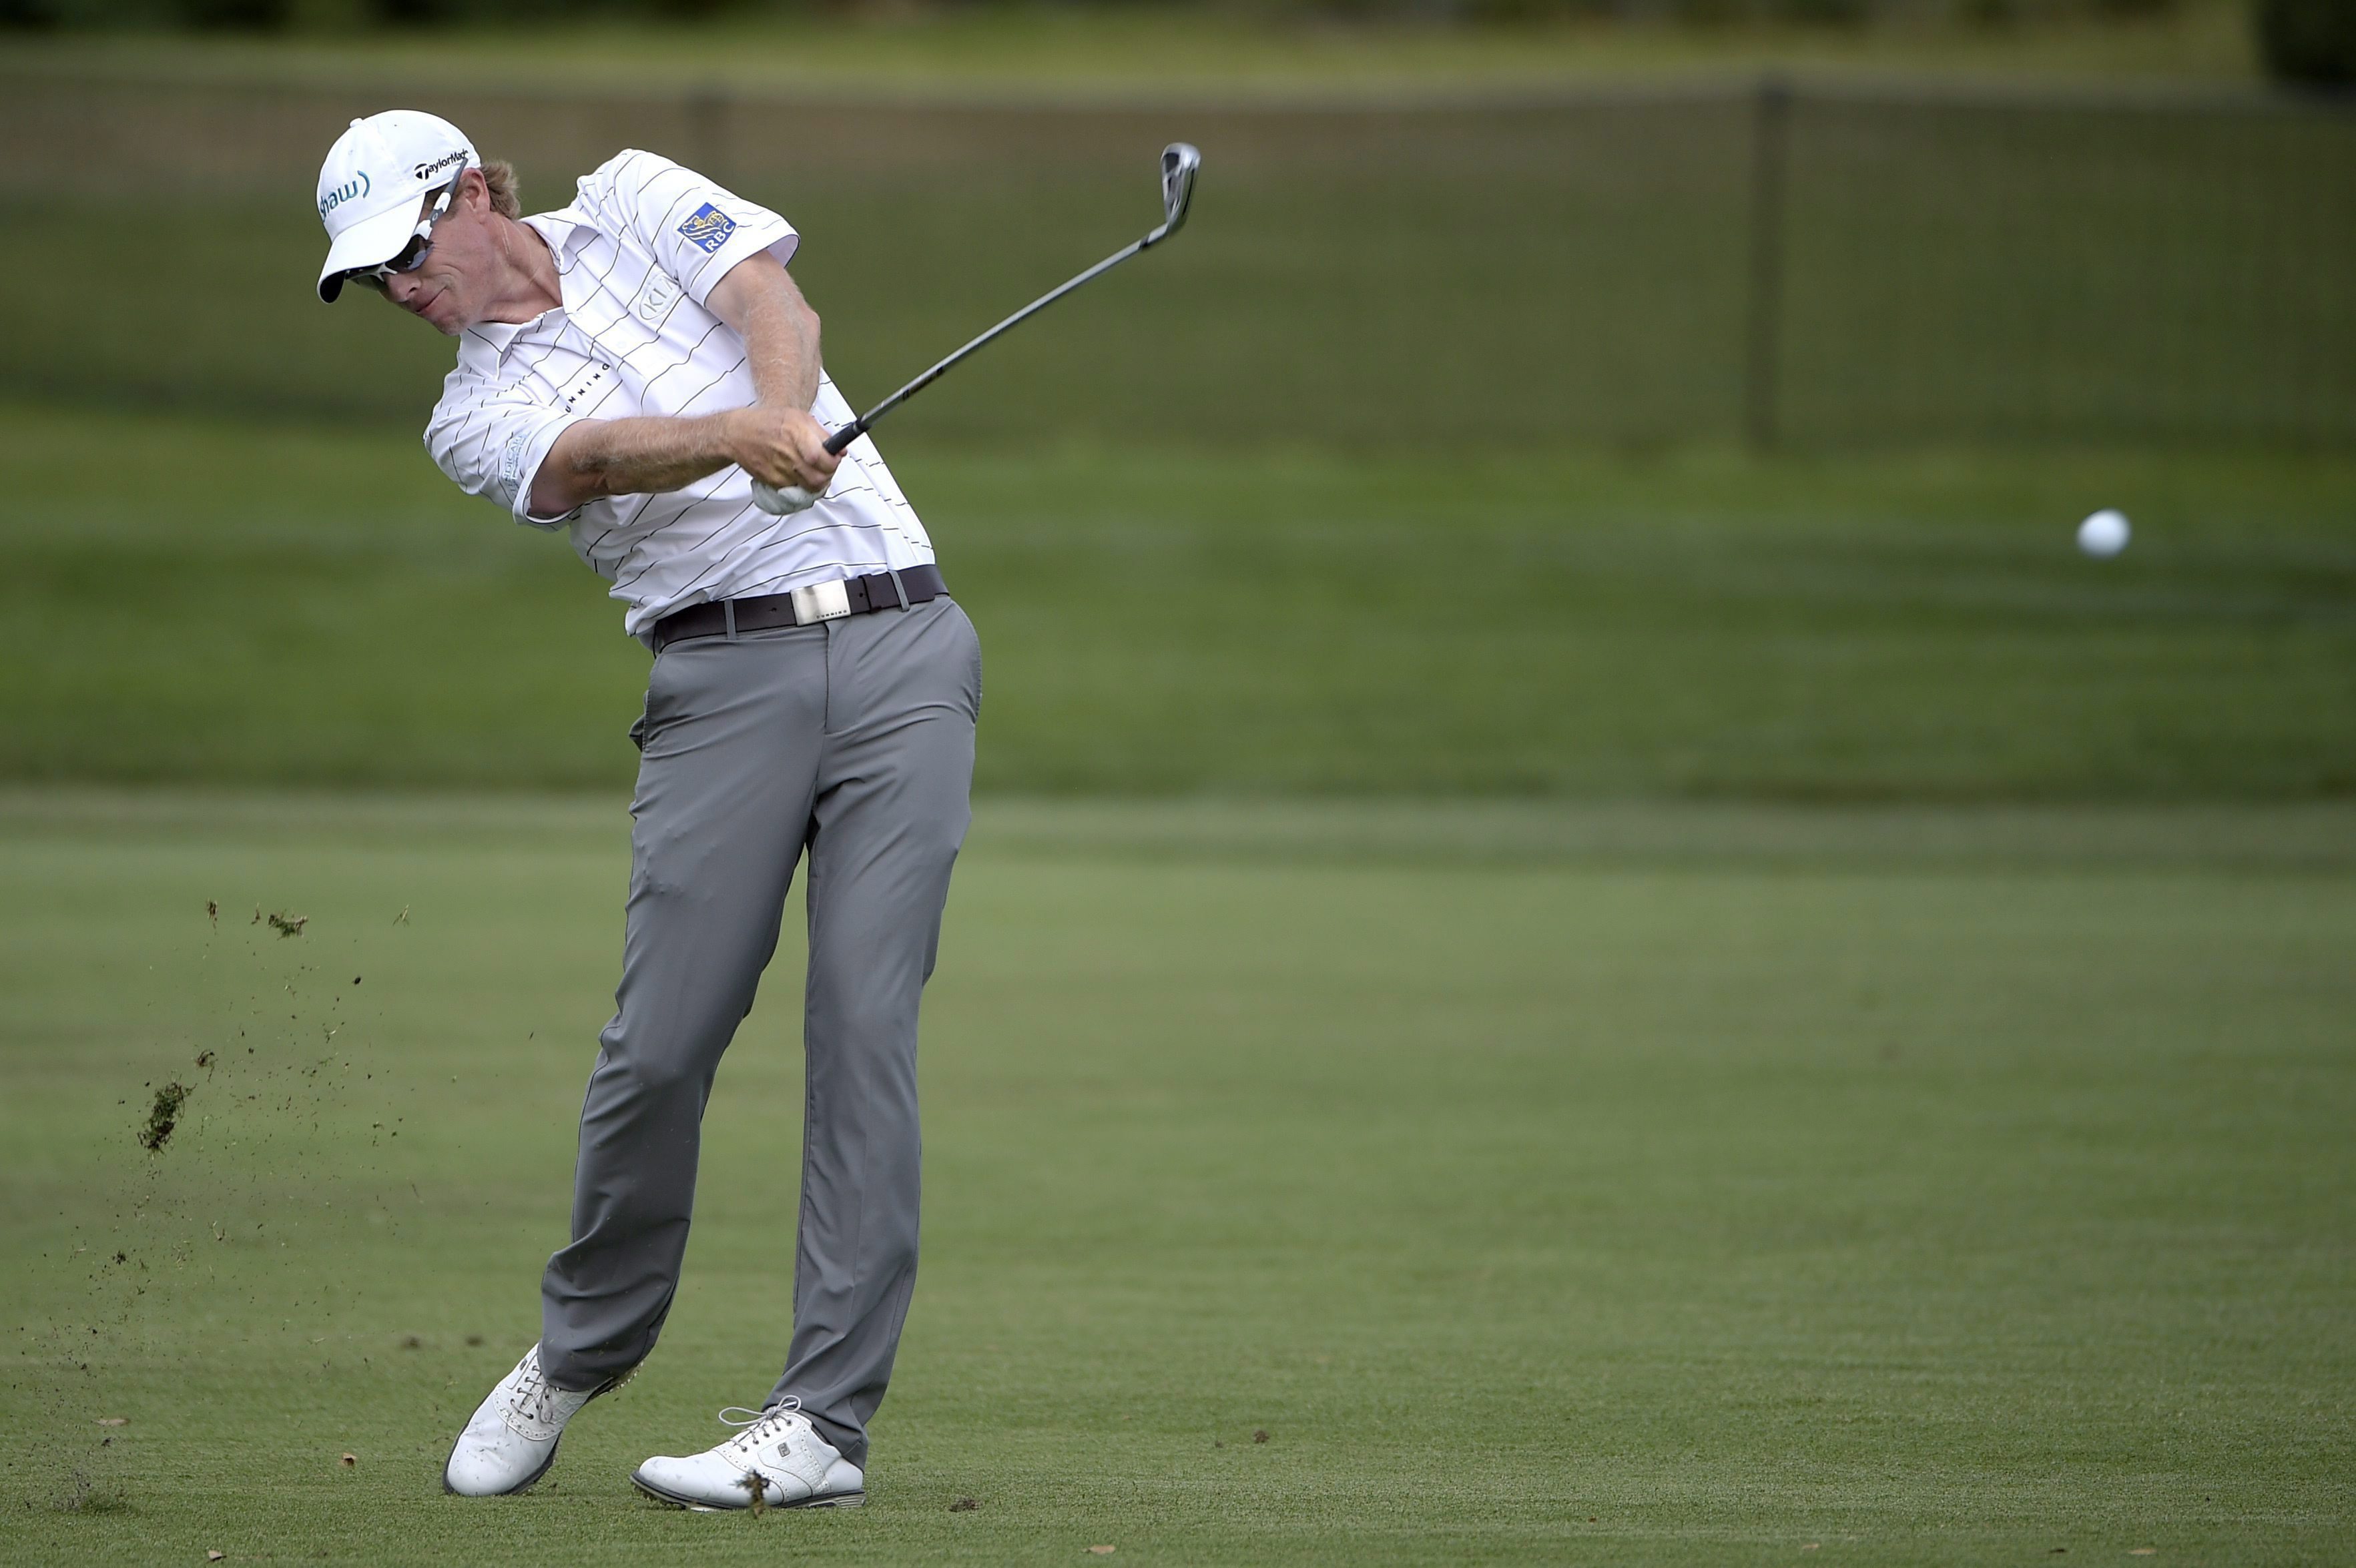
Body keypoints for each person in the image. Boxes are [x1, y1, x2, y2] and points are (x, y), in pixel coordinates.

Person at [314, 109, 980, 1511]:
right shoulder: (467, 413)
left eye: (405, 249)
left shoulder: (627, 196)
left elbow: (767, 297)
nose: (399, 287)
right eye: (375, 278)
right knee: (661, 1041)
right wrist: (742, 434)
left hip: (901, 644)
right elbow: (592, 460)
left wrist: (786, 410)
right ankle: (578, 1347)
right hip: (721, 670)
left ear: (477, 189)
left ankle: (820, 1424)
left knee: (866, 1025)